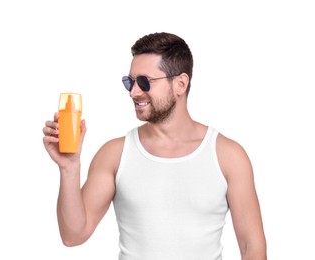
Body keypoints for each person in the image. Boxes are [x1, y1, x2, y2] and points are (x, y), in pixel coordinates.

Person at [42, 32, 267, 260]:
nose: (134, 92)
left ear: (180, 83)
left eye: (144, 82)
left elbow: (252, 248)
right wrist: (69, 168)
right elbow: (73, 235)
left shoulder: (228, 155)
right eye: (130, 82)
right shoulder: (115, 154)